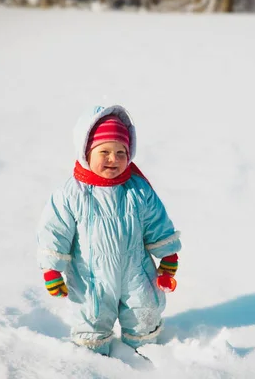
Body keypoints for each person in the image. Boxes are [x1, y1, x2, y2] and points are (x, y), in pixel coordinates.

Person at [36, 104, 182, 356]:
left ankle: (144, 357)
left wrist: (168, 255)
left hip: (136, 271)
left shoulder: (138, 189)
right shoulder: (70, 194)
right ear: (86, 152)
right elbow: (54, 231)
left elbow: (157, 222)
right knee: (91, 318)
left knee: (144, 313)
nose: (113, 159)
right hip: (90, 277)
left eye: (121, 152)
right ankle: (94, 360)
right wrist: (52, 269)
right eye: (104, 151)